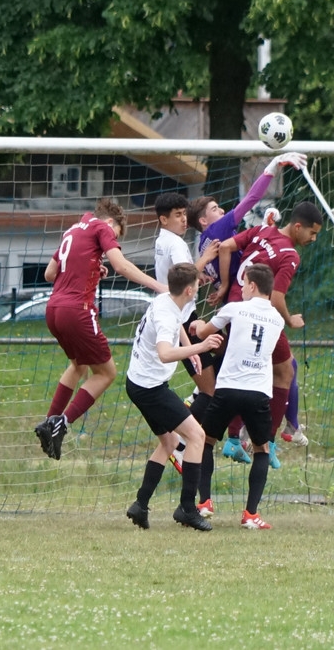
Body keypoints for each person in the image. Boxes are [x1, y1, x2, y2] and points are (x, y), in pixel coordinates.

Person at [187, 153, 307, 462]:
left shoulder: (204, 243)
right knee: (283, 369)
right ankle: (275, 436)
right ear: (204, 221)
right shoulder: (221, 230)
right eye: (216, 209)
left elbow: (234, 252)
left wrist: (223, 284)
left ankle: (228, 430)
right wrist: (272, 167)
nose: (224, 211)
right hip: (248, 305)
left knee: (232, 362)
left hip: (234, 305)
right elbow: (251, 199)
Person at [34, 198, 167, 460]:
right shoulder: (102, 227)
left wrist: (91, 265)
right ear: (110, 222)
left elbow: (50, 274)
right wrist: (159, 287)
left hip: (54, 310)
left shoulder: (73, 229)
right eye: (115, 236)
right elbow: (121, 265)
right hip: (78, 310)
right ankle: (61, 423)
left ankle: (49, 422)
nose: (111, 243)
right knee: (107, 373)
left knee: (78, 365)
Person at [213, 200, 323, 475]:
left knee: (254, 369)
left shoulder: (263, 230)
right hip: (257, 316)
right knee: (284, 372)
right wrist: (290, 319)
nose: (313, 238)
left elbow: (225, 246)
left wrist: (225, 285)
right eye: (312, 233)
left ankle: (235, 438)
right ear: (298, 227)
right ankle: (268, 442)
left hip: (233, 312)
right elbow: (276, 298)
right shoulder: (290, 255)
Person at [124, 263, 224, 531]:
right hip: (150, 389)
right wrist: (201, 347)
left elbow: (178, 323)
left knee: (169, 442)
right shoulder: (166, 316)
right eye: (198, 284)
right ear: (189, 290)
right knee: (197, 436)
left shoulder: (166, 299)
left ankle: (140, 505)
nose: (199, 288)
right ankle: (187, 508)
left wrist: (190, 348)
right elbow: (165, 353)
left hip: (138, 383)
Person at [190, 263, 285, 530]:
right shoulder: (277, 319)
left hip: (229, 387)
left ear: (252, 285)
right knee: (261, 449)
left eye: (243, 284)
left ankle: (204, 502)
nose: (241, 289)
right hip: (258, 392)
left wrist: (198, 324)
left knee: (205, 440)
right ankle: (251, 514)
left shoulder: (235, 308)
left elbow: (203, 333)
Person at [152, 192, 222, 472]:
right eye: (178, 215)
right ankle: (180, 443)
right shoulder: (177, 244)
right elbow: (184, 276)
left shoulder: (162, 241)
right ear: (163, 219)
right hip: (183, 321)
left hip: (180, 318)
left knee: (216, 369)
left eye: (184, 214)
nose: (184, 220)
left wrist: (198, 276)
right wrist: (205, 259)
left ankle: (191, 406)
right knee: (211, 390)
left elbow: (179, 278)